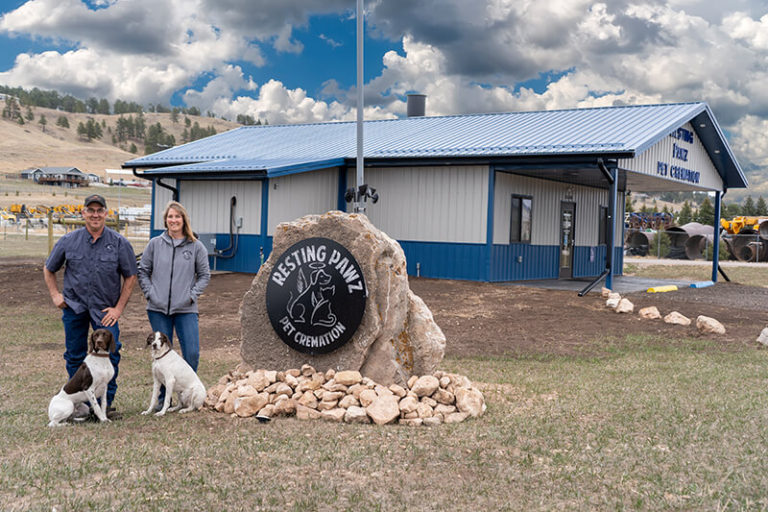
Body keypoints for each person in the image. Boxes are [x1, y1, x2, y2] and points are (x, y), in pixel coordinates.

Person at [44, 194, 137, 419]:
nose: (95, 214)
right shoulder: (68, 241)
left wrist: (118, 309)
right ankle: (81, 405)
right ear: (83, 213)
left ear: (106, 213)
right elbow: (49, 268)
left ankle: (105, 405)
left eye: (99, 210)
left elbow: (131, 276)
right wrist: (56, 294)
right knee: (75, 356)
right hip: (74, 307)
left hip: (104, 312)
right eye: (91, 210)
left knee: (111, 353)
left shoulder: (119, 243)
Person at [138, 201, 210, 401]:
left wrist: (191, 295)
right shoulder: (155, 244)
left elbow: (205, 275)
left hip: (186, 309)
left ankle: (186, 393)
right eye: (170, 217)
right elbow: (143, 271)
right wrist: (151, 293)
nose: (174, 220)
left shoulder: (196, 246)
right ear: (165, 220)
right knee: (161, 355)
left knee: (192, 352)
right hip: (158, 308)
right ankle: (163, 399)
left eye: (177, 216)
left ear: (183, 219)